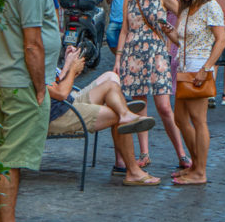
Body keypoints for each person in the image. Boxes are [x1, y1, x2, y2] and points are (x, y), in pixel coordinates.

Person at [0, 0, 63, 222]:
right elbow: (33, 44)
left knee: (4, 158)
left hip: (5, 78)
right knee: (10, 161)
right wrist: (41, 87)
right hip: (21, 83)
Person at [113, 0, 189, 171]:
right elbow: (124, 31)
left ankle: (182, 154)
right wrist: (118, 59)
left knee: (164, 107)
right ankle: (144, 154)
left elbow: (182, 14)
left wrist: (171, 32)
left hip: (157, 55)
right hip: (134, 57)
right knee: (140, 108)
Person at [47, 46, 159, 186]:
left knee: (112, 83)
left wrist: (69, 65)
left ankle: (124, 111)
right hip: (59, 112)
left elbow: (59, 85)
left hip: (66, 101)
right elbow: (61, 92)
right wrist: (71, 68)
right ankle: (133, 171)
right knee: (116, 115)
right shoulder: (33, 58)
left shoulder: (39, 56)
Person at [169, 0, 225, 184]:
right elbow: (182, 40)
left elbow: (221, 41)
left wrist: (206, 69)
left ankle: (200, 172)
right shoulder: (185, 9)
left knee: (198, 120)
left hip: (199, 69)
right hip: (184, 69)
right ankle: (195, 163)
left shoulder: (210, 6)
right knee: (180, 118)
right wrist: (169, 32)